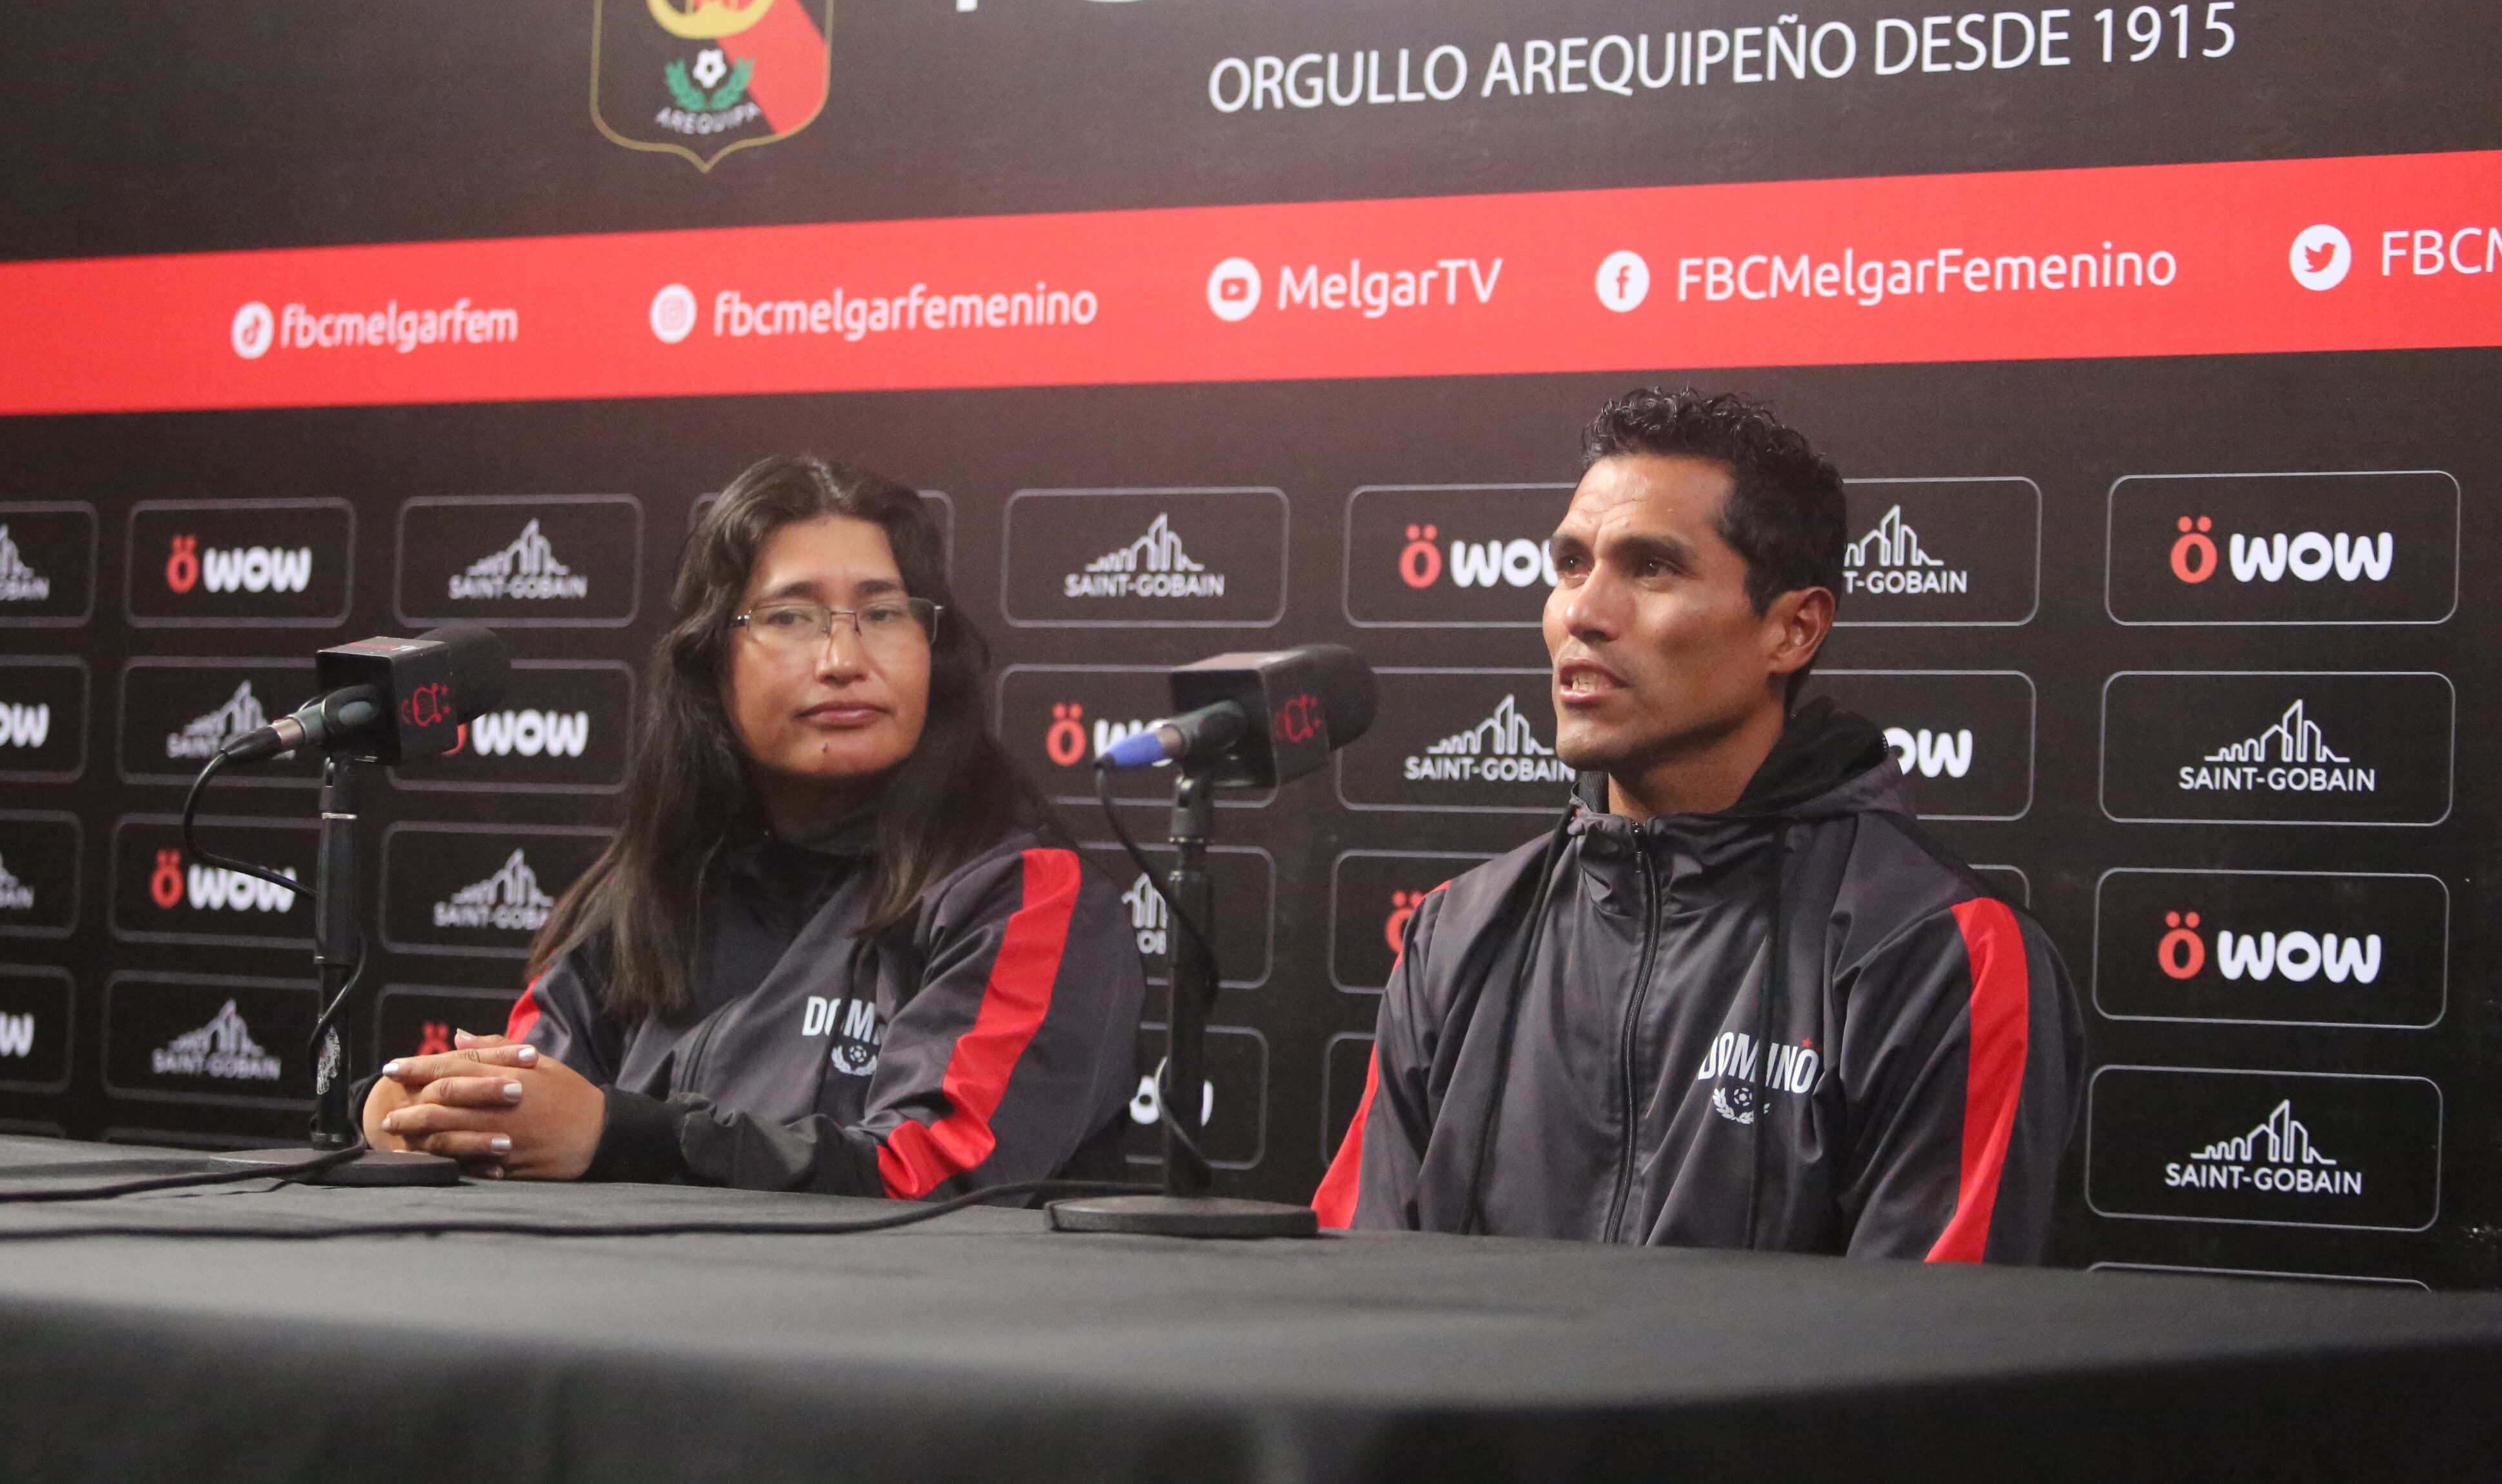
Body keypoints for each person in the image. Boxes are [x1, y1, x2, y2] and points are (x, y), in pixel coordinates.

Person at [1316, 390, 2083, 1259]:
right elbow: (1360, 1292)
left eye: (1650, 568)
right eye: (1571, 564)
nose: (1583, 613)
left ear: (1793, 629)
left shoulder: (1937, 953)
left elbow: (1930, 1360)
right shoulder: (1458, 933)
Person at [363, 456, 1142, 1196]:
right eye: (791, 615)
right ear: (711, 662)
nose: (843, 656)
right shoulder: (652, 883)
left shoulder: (1023, 893)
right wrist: (430, 1115)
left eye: (882, 611)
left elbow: (935, 1180)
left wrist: (627, 1138)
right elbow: (530, 1110)